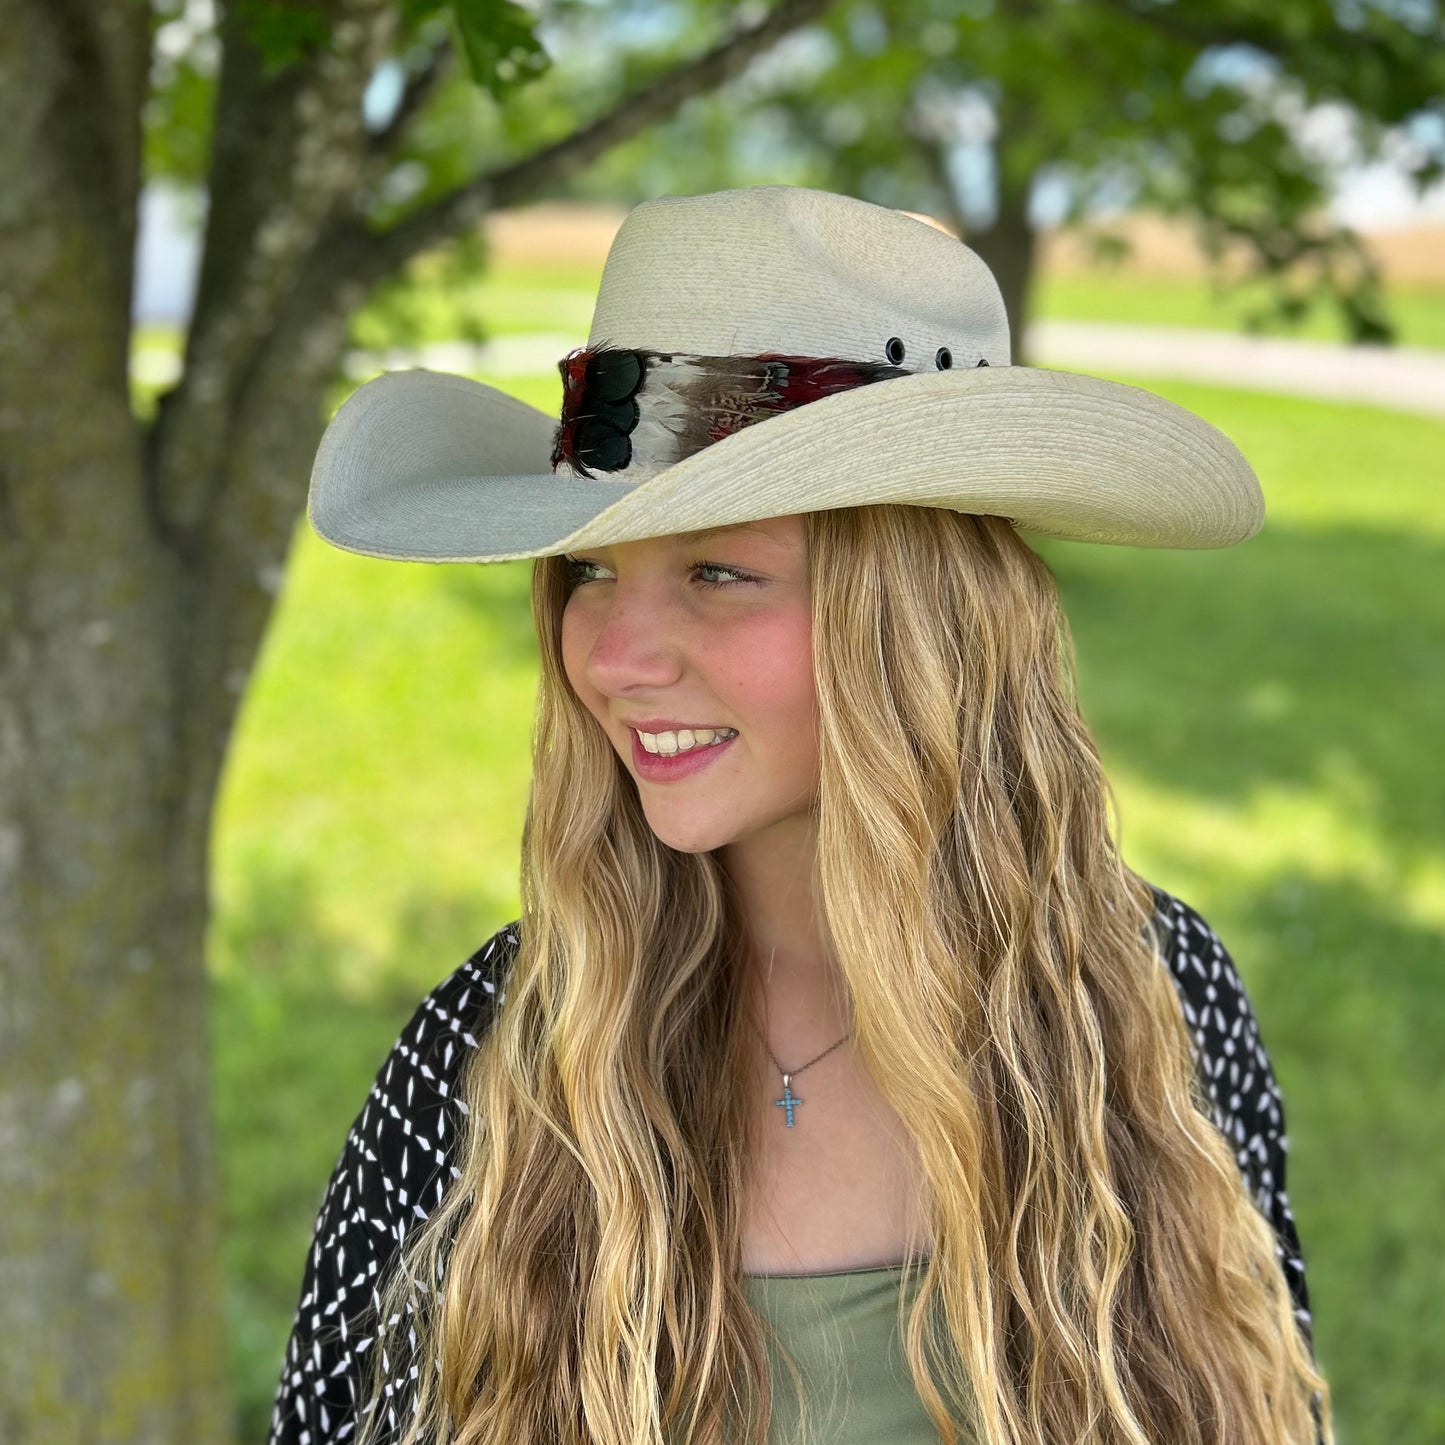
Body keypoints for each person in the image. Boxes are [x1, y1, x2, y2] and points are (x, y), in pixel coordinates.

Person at [267, 186, 1331, 1445]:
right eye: (591, 571)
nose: (613, 657)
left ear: (919, 624)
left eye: (717, 571)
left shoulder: (1150, 1003)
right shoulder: (492, 1065)